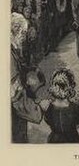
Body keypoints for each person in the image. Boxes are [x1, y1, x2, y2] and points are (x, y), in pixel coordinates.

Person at [11, 13, 43, 143]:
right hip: (13, 113)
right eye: (23, 33)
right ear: (14, 31)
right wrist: (38, 109)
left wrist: (32, 69)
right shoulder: (9, 55)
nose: (24, 37)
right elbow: (15, 95)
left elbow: (20, 65)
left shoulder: (13, 49)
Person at [43, 68, 79, 143]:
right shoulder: (75, 108)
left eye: (60, 85)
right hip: (72, 141)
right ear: (70, 87)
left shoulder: (49, 108)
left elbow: (48, 120)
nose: (58, 89)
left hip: (54, 141)